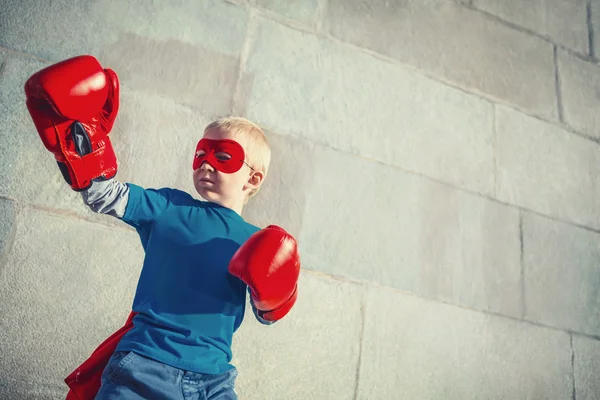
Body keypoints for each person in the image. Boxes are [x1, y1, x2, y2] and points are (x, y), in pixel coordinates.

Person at [24, 55, 300, 400]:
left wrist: (275, 293)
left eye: (223, 156)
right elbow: (103, 195)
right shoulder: (170, 207)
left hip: (213, 381)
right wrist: (81, 135)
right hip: (144, 365)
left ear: (253, 178)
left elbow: (267, 315)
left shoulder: (257, 241)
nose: (207, 165)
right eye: (201, 155)